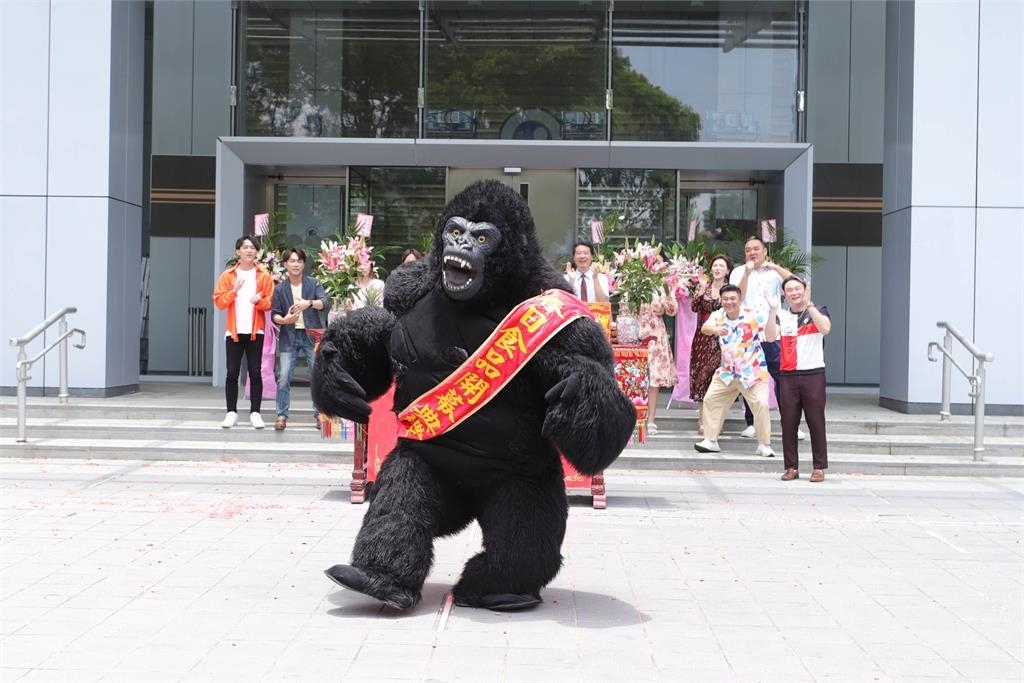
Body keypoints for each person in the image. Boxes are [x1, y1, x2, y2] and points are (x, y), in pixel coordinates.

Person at [694, 284, 775, 457]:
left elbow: (771, 336)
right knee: (710, 400)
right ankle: (711, 440)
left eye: (733, 298)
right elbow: (705, 328)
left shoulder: (752, 315)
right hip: (728, 372)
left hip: (752, 371)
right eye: (725, 299)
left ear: (739, 299)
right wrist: (715, 329)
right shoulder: (718, 315)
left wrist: (773, 310)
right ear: (721, 301)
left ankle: (764, 444)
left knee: (761, 404)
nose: (729, 302)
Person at [765, 276, 831, 482]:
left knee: (816, 421)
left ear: (805, 290)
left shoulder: (818, 311)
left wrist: (810, 305)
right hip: (788, 376)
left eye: (797, 289)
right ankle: (791, 467)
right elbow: (769, 337)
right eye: (789, 290)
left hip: (813, 374)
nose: (794, 293)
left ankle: (819, 467)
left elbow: (826, 328)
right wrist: (773, 310)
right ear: (785, 295)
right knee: (788, 422)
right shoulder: (782, 316)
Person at [729, 236, 793, 439]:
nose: (752, 253)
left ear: (764, 251)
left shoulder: (774, 273)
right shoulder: (739, 272)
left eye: (756, 249)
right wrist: (747, 273)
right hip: (747, 334)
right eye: (748, 250)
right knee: (749, 378)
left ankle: (789, 422)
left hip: (771, 332)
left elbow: (794, 282)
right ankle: (752, 422)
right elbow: (737, 296)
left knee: (782, 376)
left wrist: (773, 266)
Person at [212, 234, 274, 429]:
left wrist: (259, 301)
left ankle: (255, 412)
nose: (249, 250)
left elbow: (270, 302)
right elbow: (219, 302)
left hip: (256, 331)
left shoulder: (263, 275)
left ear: (257, 252)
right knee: (232, 373)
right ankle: (231, 412)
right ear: (238, 251)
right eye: (245, 247)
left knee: (255, 372)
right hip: (234, 332)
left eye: (253, 248)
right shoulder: (228, 275)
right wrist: (234, 291)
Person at [271, 248, 328, 431]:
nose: (295, 264)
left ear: (304, 264)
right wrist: (285, 320)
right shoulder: (280, 288)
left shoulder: (313, 283)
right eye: (292, 261)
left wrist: (309, 303)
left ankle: (320, 414)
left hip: (311, 335)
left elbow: (325, 303)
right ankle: (281, 415)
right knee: (283, 376)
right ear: (286, 264)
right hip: (289, 336)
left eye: (299, 261)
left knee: (316, 375)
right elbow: (274, 315)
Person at [689, 254, 732, 433]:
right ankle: (702, 421)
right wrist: (699, 290)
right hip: (703, 337)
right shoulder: (704, 287)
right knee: (701, 378)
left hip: (723, 336)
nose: (717, 268)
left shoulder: (730, 290)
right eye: (715, 265)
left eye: (721, 266)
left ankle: (716, 422)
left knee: (719, 379)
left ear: (727, 270)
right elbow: (694, 307)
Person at [638, 286, 677, 435]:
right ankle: (634, 416)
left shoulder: (663, 284)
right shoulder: (633, 278)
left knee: (654, 376)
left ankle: (651, 420)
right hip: (637, 329)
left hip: (656, 333)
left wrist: (667, 289)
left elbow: (672, 311)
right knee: (635, 374)